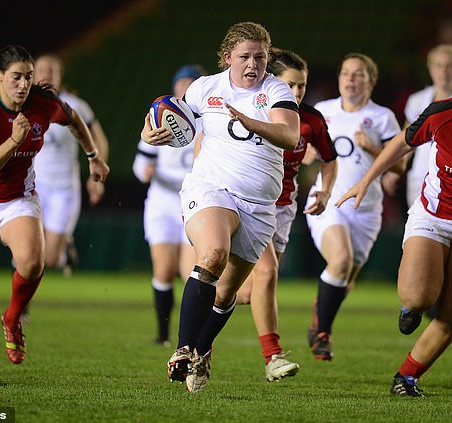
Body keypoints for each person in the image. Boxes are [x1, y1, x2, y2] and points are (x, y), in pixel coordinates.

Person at [336, 53, 452, 396]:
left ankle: (406, 377)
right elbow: (403, 143)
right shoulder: (441, 113)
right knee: (417, 296)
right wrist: (367, 179)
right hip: (432, 217)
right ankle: (415, 304)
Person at [140, 22, 299, 393]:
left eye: (260, 57)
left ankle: (200, 349)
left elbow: (290, 136)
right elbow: (167, 121)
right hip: (212, 189)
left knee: (226, 294)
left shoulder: (276, 90)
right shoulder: (205, 88)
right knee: (212, 254)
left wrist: (248, 120)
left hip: (259, 206)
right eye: (245, 56)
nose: (253, 64)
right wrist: (150, 133)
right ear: (227, 57)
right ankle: (181, 349)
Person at [0, 45, 109, 373]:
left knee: (33, 262)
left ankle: (12, 318)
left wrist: (93, 157)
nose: (23, 84)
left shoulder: (41, 104)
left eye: (28, 78)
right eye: (16, 77)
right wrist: (13, 142)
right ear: (0, 76)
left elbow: (74, 119)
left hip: (17, 197)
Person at [236, 48, 337, 381]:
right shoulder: (251, 110)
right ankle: (273, 355)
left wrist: (324, 190)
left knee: (247, 293)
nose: (296, 93)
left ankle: (205, 302)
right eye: (290, 85)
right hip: (248, 202)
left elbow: (329, 158)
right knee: (266, 273)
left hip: (283, 208)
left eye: (302, 86)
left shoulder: (311, 120)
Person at [305, 53, 403, 360]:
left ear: (371, 81)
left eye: (358, 74)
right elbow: (304, 149)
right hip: (328, 199)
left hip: (366, 208)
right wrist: (304, 154)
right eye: (345, 73)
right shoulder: (322, 111)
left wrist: (372, 147)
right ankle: (323, 335)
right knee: (341, 260)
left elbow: (400, 167)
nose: (350, 79)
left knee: (344, 279)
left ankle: (318, 316)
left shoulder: (383, 117)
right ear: (339, 79)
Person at [132, 64, 205, 347]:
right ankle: (162, 335)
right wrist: (146, 171)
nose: (186, 88)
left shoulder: (208, 119)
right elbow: (140, 166)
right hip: (163, 202)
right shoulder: (160, 116)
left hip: (194, 200)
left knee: (191, 274)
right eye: (182, 82)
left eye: (192, 83)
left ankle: (192, 338)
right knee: (163, 270)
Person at [32, 53, 110, 275]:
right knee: (27, 250)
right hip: (33, 188)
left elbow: (99, 140)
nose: (46, 74)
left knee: (51, 258)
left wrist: (96, 177)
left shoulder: (75, 105)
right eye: (41, 69)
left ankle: (65, 248)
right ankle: (21, 309)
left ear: (59, 75)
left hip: (64, 189)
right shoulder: (25, 104)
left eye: (51, 70)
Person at [402, 44, 452, 207]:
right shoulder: (416, 101)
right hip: (420, 178)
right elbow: (407, 140)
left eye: (449, 66)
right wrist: (395, 169)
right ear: (430, 69)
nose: (443, 72)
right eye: (438, 66)